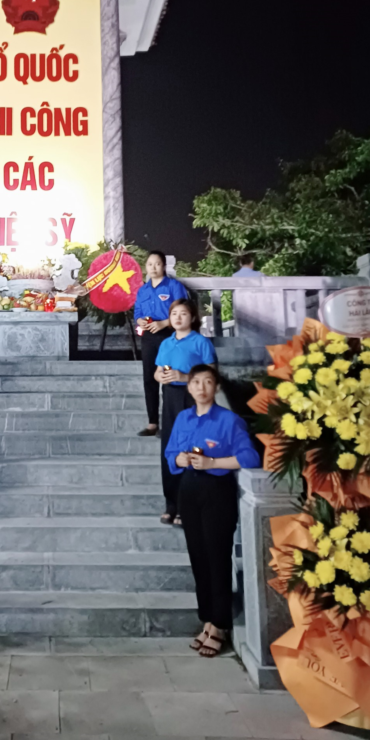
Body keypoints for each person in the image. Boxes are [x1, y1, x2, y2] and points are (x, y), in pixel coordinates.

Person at [165, 364, 260, 657]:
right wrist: (180, 460)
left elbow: (250, 457)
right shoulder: (183, 418)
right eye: (196, 382)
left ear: (216, 387)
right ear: (189, 387)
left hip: (217, 491)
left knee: (217, 556)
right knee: (198, 557)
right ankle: (207, 619)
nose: (202, 388)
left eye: (208, 382)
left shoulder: (229, 420)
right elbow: (170, 454)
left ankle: (220, 624)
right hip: (189, 490)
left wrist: (213, 463)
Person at [154, 298, 216, 526]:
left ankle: (188, 506)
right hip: (170, 397)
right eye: (174, 314)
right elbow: (157, 372)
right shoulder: (166, 343)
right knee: (170, 447)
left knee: (191, 445)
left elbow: (211, 373)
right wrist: (161, 376)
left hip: (193, 398)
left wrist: (184, 376)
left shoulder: (201, 342)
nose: (178, 318)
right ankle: (171, 504)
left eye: (183, 314)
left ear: (192, 317)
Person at [133, 251, 189, 437]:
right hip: (149, 337)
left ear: (164, 266)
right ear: (146, 267)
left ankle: (169, 423)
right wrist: (140, 321)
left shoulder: (174, 286)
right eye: (150, 264)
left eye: (157, 264)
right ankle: (152, 423)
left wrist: (164, 323)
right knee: (149, 378)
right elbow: (137, 313)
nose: (153, 268)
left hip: (169, 335)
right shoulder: (143, 290)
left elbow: (183, 311)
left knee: (168, 377)